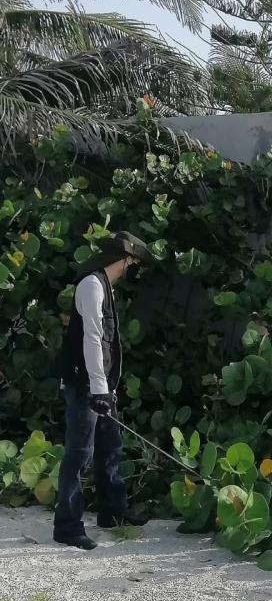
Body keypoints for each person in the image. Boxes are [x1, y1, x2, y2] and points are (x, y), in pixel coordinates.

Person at [53, 232, 155, 550]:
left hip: (101, 385)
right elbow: (93, 339)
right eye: (132, 262)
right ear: (123, 260)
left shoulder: (105, 286)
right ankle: (67, 526)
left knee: (110, 446)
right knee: (78, 453)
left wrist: (107, 388)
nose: (132, 268)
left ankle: (112, 512)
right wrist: (98, 390)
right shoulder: (92, 285)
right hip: (85, 384)